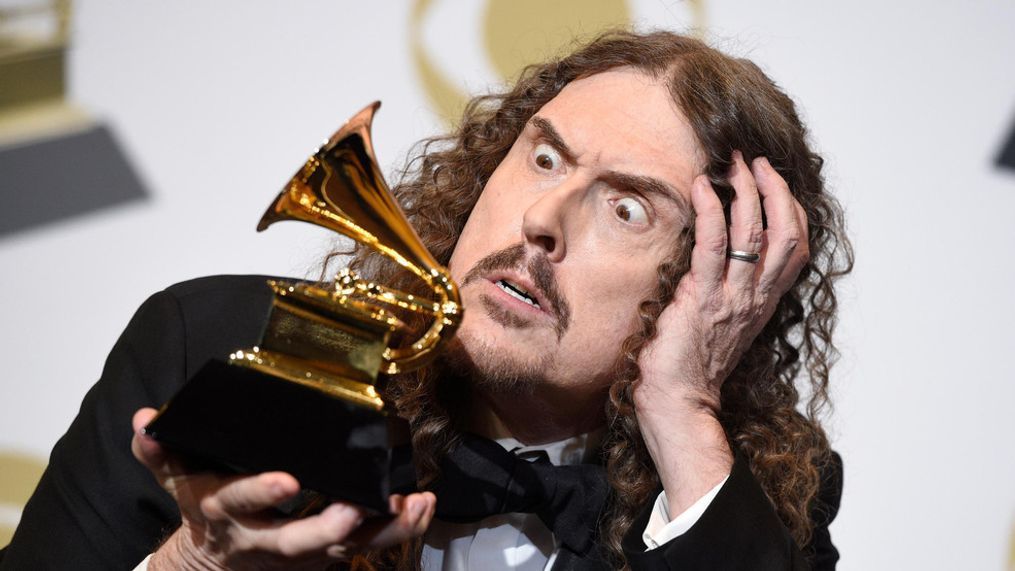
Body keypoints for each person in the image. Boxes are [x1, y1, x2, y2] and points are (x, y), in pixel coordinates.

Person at [0, 30, 852, 570]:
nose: (540, 218)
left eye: (626, 207)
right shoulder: (207, 342)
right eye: (545, 159)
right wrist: (195, 561)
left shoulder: (743, 497)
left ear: (720, 283)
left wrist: (683, 406)